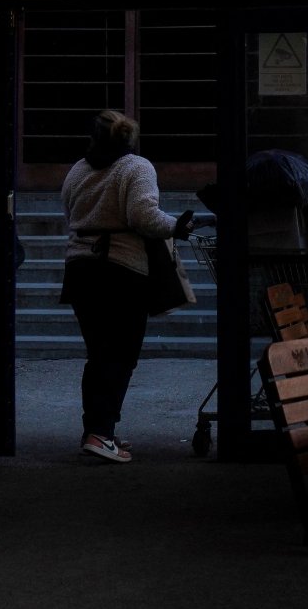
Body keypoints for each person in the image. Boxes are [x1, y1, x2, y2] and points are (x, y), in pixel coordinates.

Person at [59, 110, 194, 463]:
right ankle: (101, 434)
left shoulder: (78, 169)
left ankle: (97, 431)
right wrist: (176, 226)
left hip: (80, 269)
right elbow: (143, 217)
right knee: (120, 356)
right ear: (128, 139)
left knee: (99, 353)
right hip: (120, 271)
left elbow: (67, 208)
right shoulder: (136, 167)